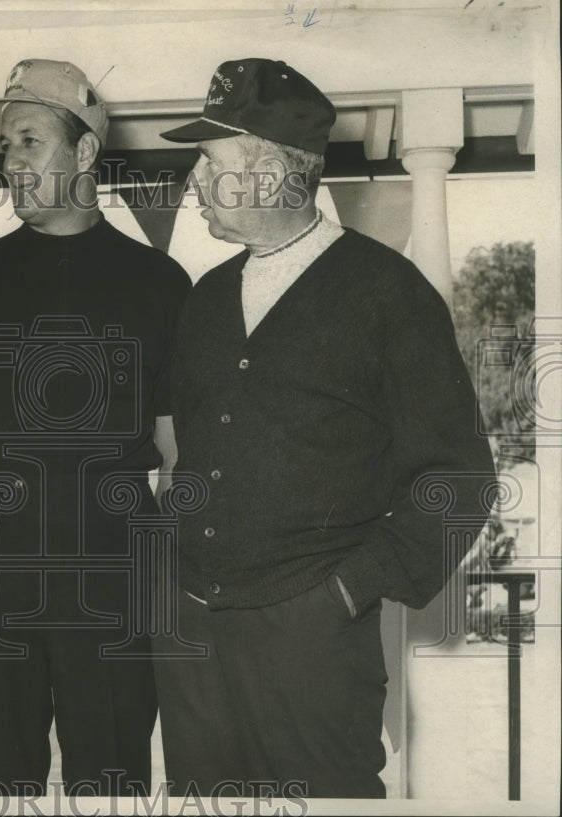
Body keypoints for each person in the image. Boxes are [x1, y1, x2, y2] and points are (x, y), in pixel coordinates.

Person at [152, 58, 496, 798]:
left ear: (273, 171)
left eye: (210, 163)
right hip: (193, 636)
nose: (193, 185)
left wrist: (350, 587)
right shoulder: (205, 299)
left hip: (310, 638)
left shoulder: (387, 293)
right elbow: (193, 451)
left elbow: (460, 477)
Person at [0, 58, 191, 795]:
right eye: (5, 146)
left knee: (111, 788)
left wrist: (158, 595)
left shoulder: (160, 283)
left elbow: (179, 457)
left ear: (86, 153)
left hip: (113, 591)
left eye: (29, 141)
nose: (10, 162)